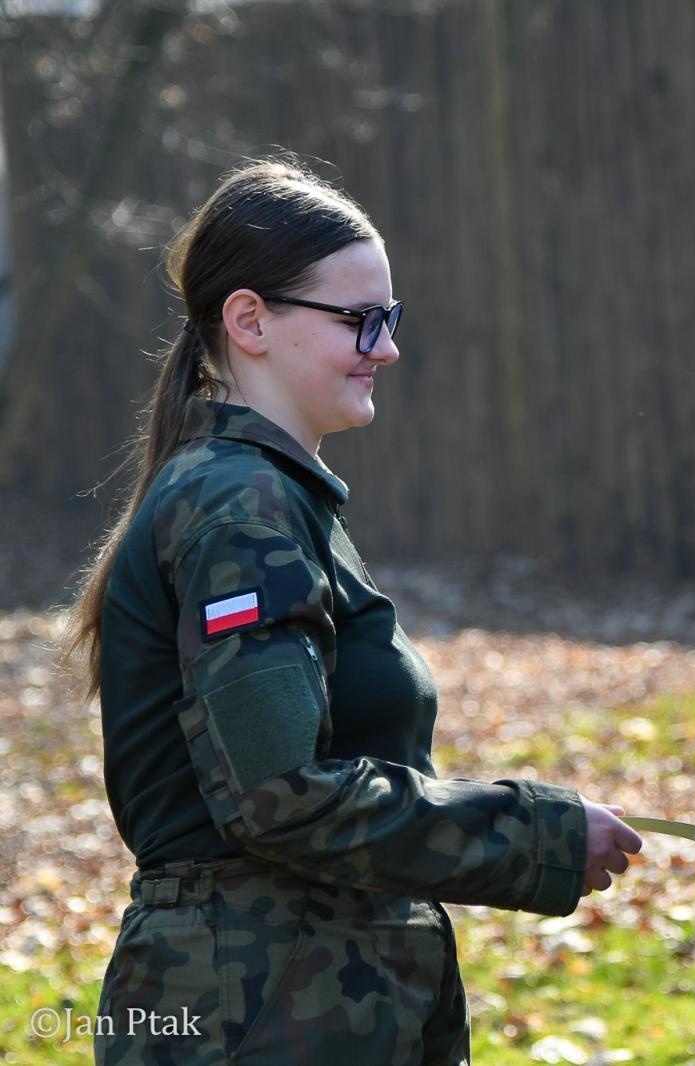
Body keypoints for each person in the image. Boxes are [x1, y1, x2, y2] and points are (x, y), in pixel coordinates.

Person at [67, 159, 644, 1064]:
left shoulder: (269, 494)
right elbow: (280, 798)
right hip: (258, 1010)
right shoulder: (235, 502)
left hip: (304, 994)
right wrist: (536, 834)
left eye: (392, 318)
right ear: (249, 321)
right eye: (360, 320)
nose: (388, 348)